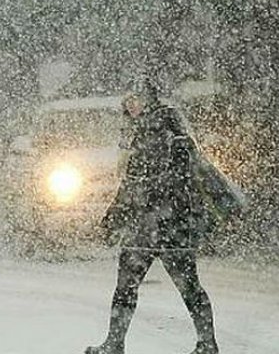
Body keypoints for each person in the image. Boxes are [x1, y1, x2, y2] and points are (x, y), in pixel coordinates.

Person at [85, 79, 219, 354]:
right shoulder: (165, 128)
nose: (131, 105)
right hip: (166, 223)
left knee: (136, 285)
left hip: (155, 222)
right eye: (128, 100)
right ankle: (206, 343)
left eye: (136, 99)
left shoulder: (156, 130)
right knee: (181, 285)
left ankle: (115, 343)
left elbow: (139, 182)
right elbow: (140, 181)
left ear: (148, 100)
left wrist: (116, 216)